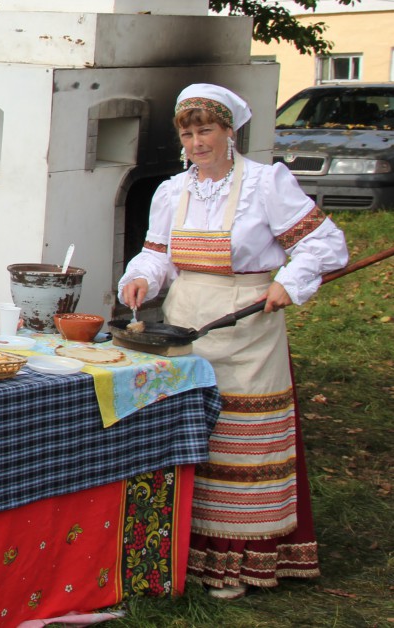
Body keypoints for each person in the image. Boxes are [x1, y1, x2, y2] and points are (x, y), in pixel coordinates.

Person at [118, 83, 348, 600]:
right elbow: (159, 256)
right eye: (189, 133)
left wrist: (289, 281)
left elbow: (325, 243)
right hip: (185, 328)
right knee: (190, 438)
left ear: (230, 132)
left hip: (248, 327)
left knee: (240, 451)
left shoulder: (266, 184)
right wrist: (141, 278)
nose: (197, 142)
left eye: (206, 131)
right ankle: (185, 555)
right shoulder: (172, 191)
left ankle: (241, 564)